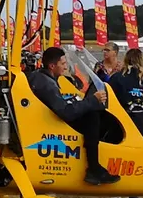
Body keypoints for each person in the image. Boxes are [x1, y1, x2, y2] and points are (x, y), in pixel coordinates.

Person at [26, 47, 121, 185]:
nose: (65, 68)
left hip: (50, 118)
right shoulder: (47, 84)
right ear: (52, 66)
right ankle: (94, 169)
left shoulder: (42, 77)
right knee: (93, 116)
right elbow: (67, 113)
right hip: (52, 125)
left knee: (95, 114)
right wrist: (92, 101)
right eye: (63, 64)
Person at [106, 48, 143, 198]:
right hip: (140, 124)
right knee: (136, 160)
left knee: (116, 158)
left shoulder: (117, 78)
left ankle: (116, 191)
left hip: (120, 124)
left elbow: (108, 96)